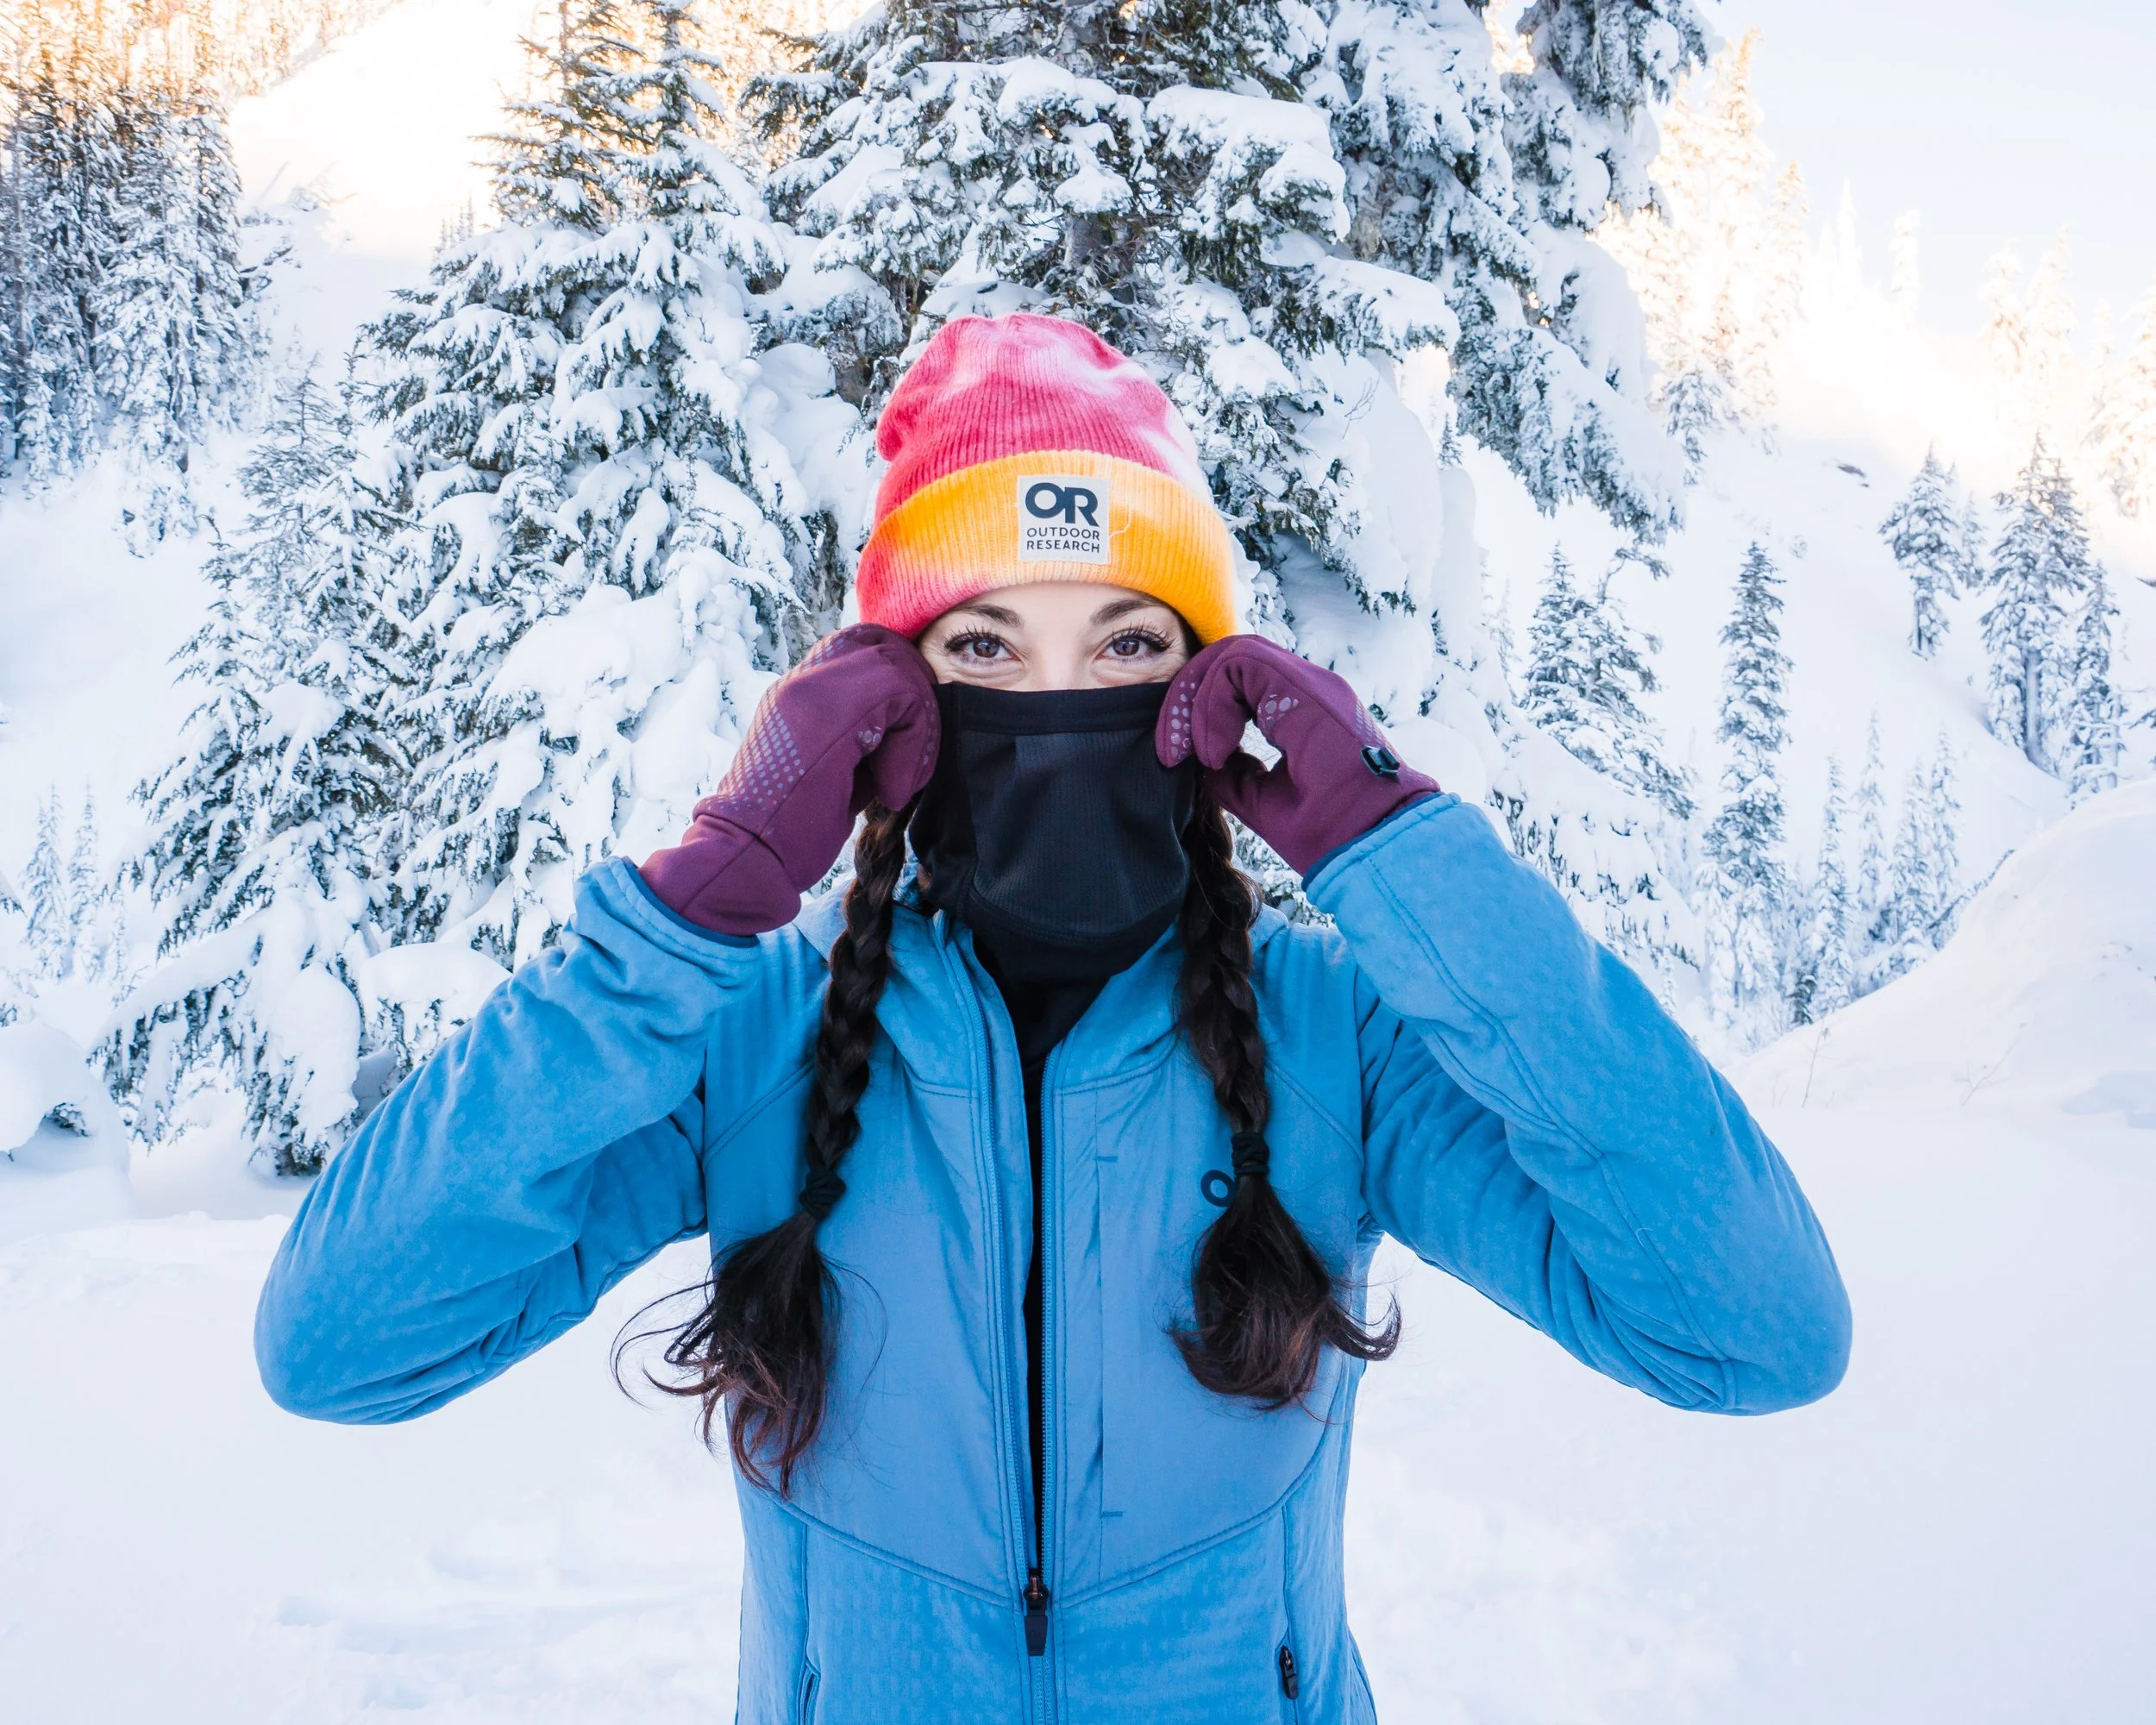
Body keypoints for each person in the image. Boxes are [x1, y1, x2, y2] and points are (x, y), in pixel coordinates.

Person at [256, 314, 1850, 1723]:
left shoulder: (1332, 1041)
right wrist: (697, 905)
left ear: (1205, 697)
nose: (1054, 704)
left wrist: (1390, 847)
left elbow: (1755, 1331)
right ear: (890, 710)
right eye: (984, 649)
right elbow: (338, 1345)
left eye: (1129, 645)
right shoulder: (747, 1035)